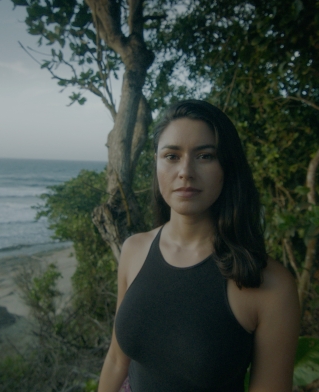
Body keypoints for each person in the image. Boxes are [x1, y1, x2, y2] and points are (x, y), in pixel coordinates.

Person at [98, 100, 300, 392]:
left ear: (227, 166)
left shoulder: (270, 284)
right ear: (156, 164)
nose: (185, 171)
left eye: (205, 156)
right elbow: (118, 360)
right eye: (171, 156)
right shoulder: (134, 250)